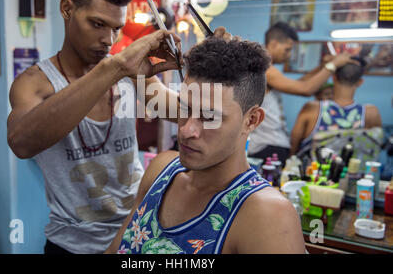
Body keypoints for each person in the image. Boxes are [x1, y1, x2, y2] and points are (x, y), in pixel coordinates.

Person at [7, 0, 181, 254]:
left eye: (116, 29)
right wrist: (115, 68)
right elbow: (21, 143)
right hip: (70, 245)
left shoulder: (127, 72)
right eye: (98, 24)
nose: (108, 40)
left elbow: (181, 112)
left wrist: (214, 67)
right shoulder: (35, 84)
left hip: (133, 235)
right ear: (66, 8)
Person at [106, 37, 306, 254]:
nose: (185, 130)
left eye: (210, 118)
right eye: (184, 108)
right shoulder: (162, 170)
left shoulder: (266, 215)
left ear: (251, 121)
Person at [248, 22, 356, 166]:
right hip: (266, 146)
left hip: (273, 144)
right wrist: (333, 65)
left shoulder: (270, 71)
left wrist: (322, 66)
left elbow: (299, 84)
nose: (289, 55)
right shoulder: (265, 69)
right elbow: (305, 89)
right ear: (273, 44)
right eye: (287, 49)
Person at [290, 60, 382, 156]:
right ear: (360, 82)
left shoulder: (312, 109)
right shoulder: (370, 113)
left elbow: (293, 146)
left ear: (333, 78)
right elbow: (374, 148)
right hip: (355, 171)